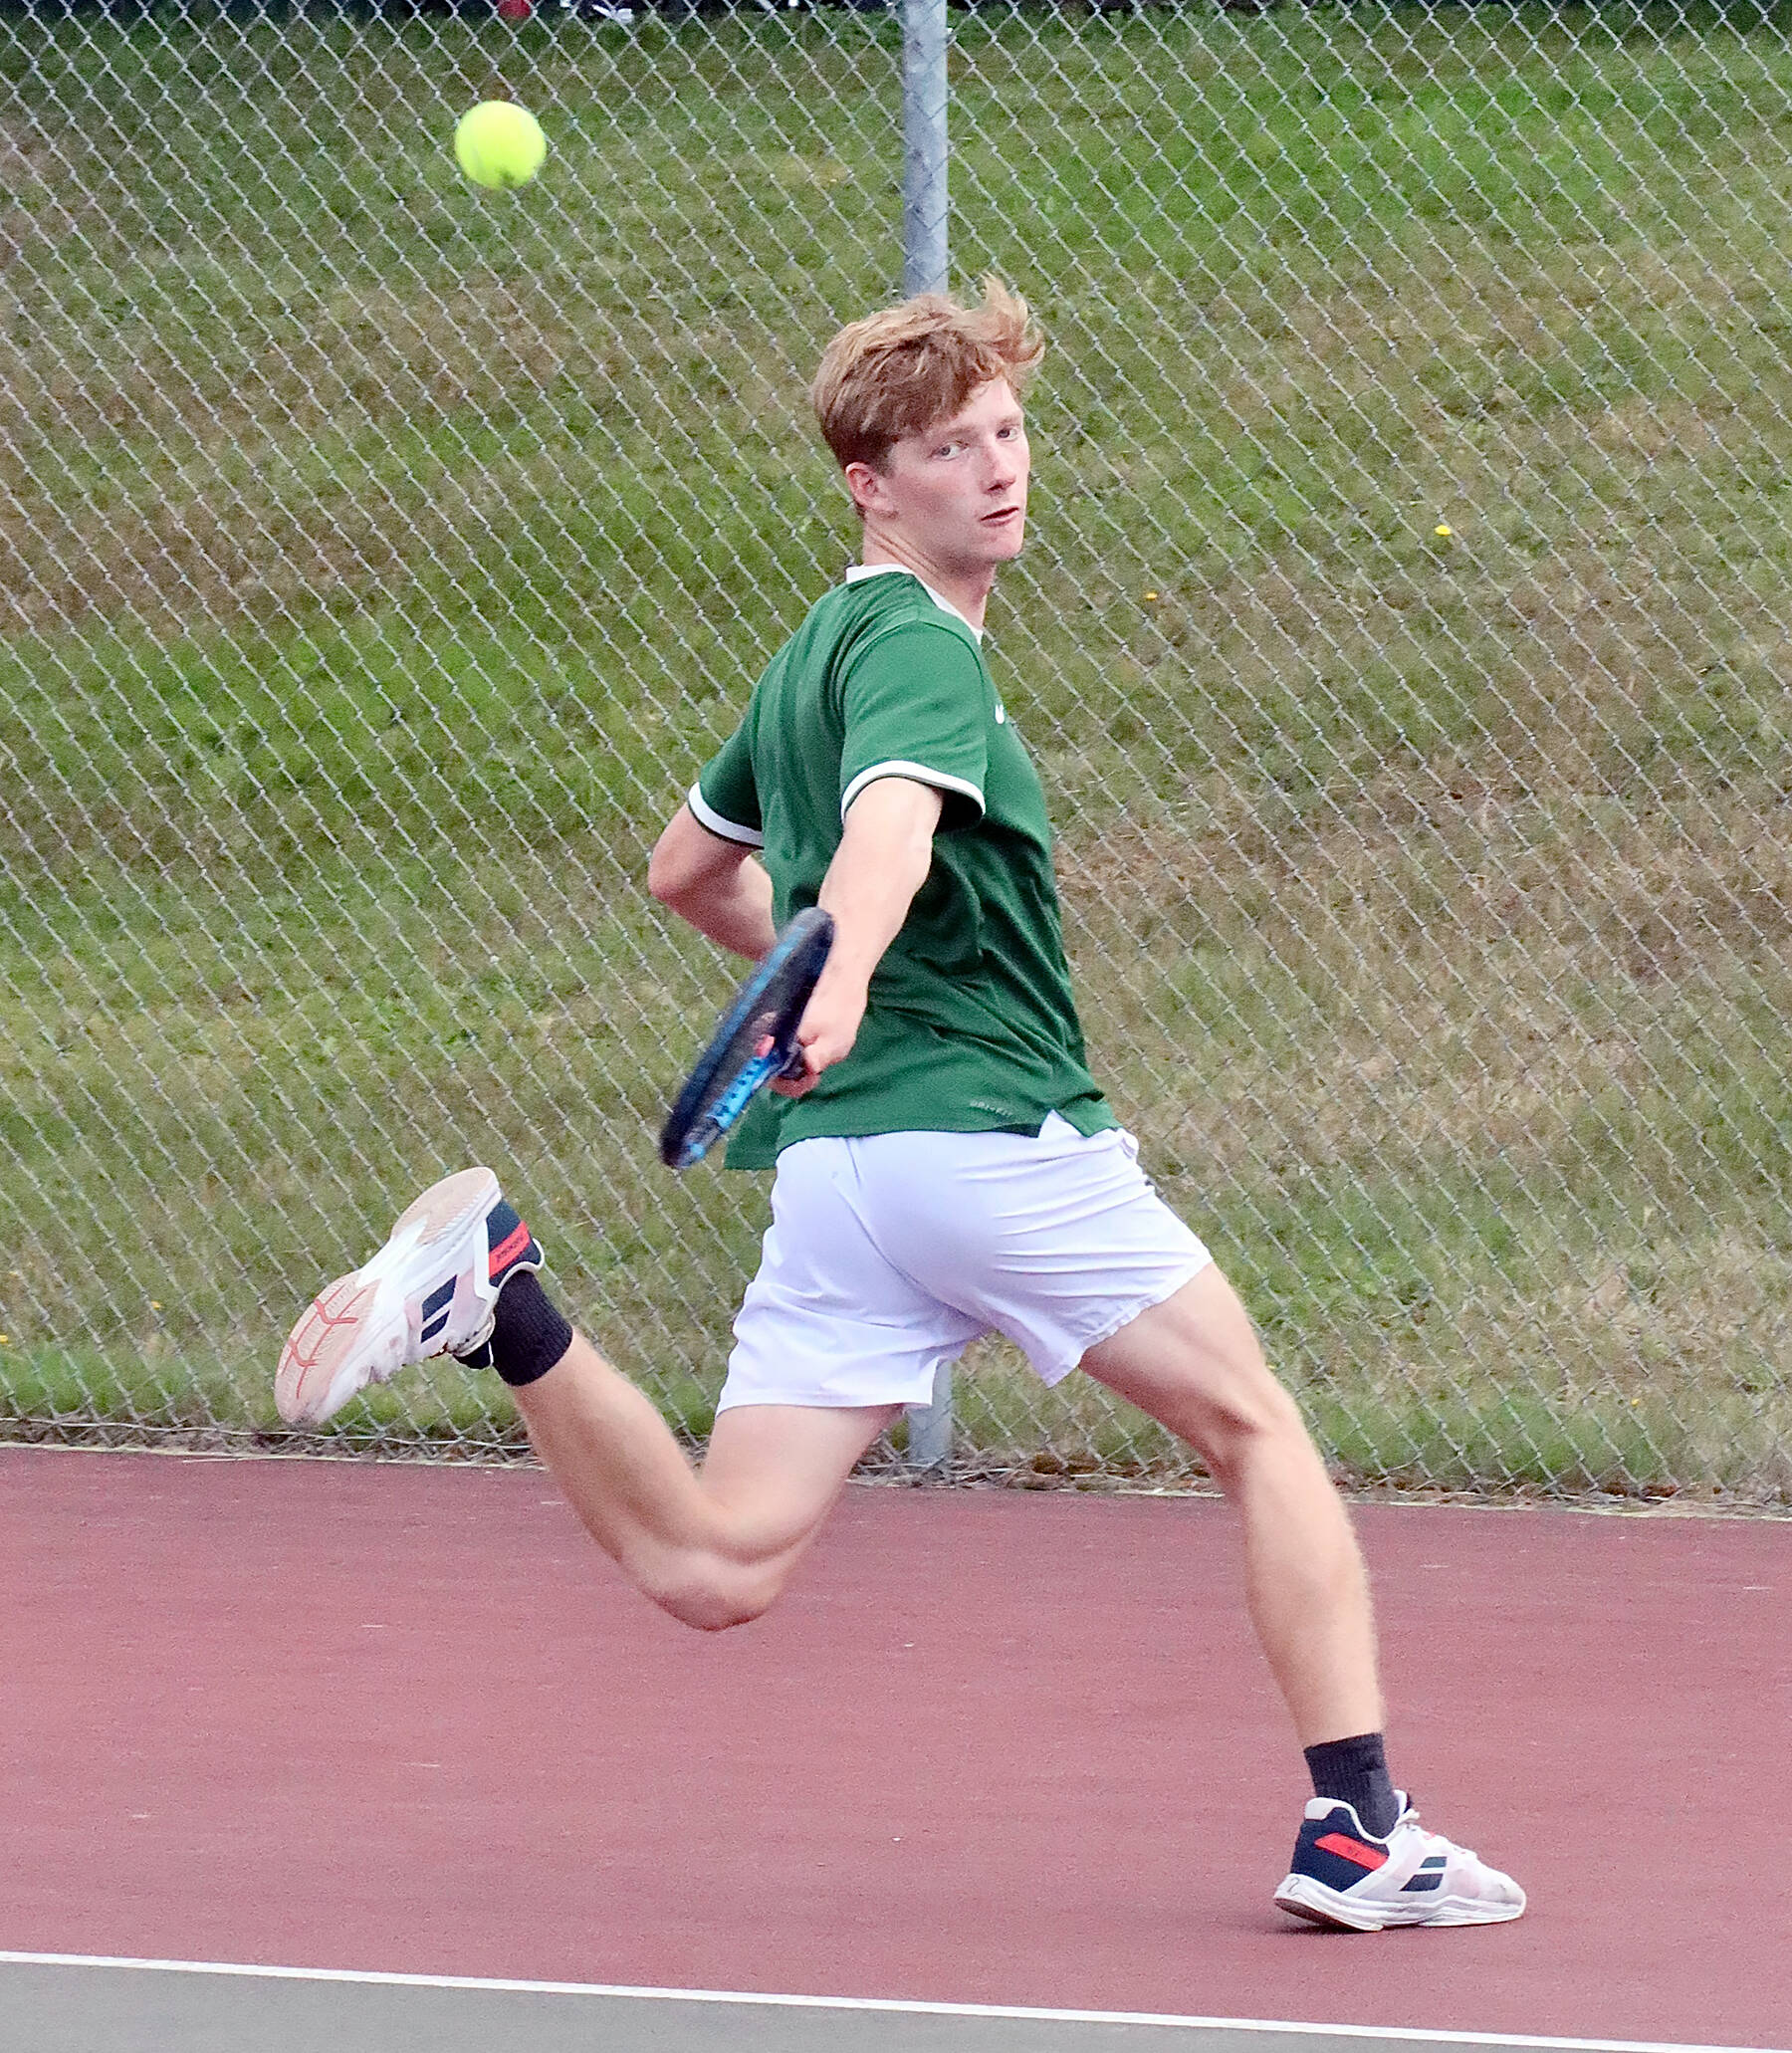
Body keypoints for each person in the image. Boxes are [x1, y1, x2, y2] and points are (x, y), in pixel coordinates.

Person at [276, 278, 1524, 1934]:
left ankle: (501, 1300)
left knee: (714, 1561)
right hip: (986, 1138)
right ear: (870, 485)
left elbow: (685, 867)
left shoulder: (813, 650)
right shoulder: (923, 644)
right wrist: (847, 970)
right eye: (949, 448)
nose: (998, 468)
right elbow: (887, 830)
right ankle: (1360, 1828)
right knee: (1256, 1426)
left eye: (1007, 430)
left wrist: (813, 987)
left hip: (845, 1176)